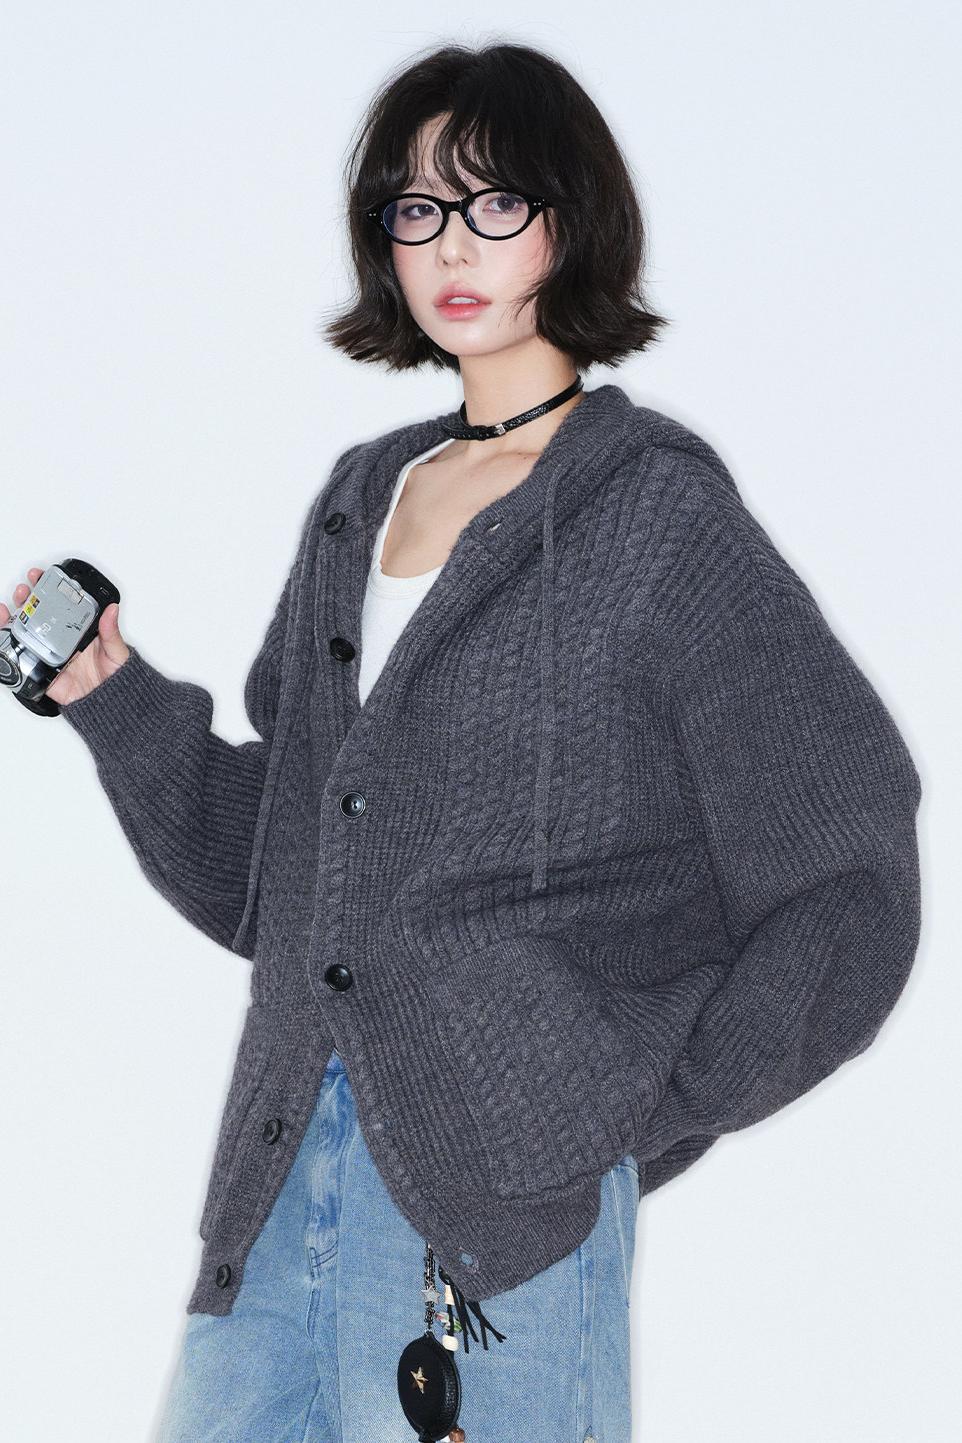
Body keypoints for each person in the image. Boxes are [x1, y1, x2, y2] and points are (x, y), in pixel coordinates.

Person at [6, 41, 921, 1443]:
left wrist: (624, 1107)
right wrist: (113, 698)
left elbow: (849, 873)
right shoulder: (358, 502)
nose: (450, 243)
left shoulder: (657, 519)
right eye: (417, 207)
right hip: (276, 1187)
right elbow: (287, 886)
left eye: (495, 202)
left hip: (496, 1230)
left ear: (570, 221)